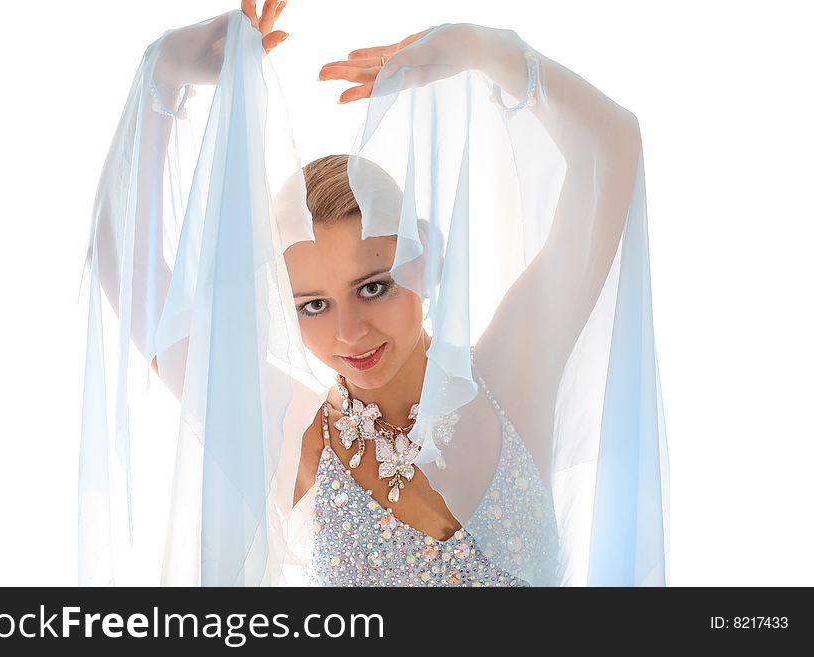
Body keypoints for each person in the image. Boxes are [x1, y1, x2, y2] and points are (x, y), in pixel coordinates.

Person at [79, 1, 670, 587]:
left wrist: (486, 51)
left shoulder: (509, 377)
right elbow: (122, 261)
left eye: (373, 286)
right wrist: (163, 76)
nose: (349, 332)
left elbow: (612, 149)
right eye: (313, 304)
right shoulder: (299, 435)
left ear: (429, 261)